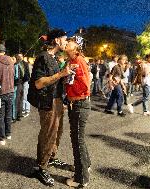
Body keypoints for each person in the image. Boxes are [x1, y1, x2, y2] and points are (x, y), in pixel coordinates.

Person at [28, 28, 72, 186]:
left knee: (57, 132)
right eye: (65, 39)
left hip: (57, 100)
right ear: (57, 40)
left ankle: (51, 158)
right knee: (48, 133)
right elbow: (39, 83)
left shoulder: (54, 58)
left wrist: (65, 78)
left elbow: (55, 80)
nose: (66, 42)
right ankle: (40, 167)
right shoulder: (43, 57)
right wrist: (60, 74)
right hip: (48, 102)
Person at [65, 39, 91, 188]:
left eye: (69, 43)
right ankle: (85, 165)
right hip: (76, 103)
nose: (66, 44)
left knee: (77, 140)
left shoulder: (78, 61)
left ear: (76, 48)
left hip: (79, 103)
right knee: (78, 138)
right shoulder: (73, 60)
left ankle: (81, 179)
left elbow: (85, 84)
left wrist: (69, 83)